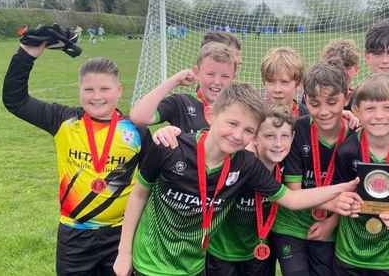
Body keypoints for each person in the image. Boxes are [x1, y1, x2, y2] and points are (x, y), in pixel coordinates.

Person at [113, 83, 364, 276]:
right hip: (150, 263)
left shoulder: (245, 165)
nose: (237, 135)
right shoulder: (170, 147)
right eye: (232, 123)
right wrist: (124, 253)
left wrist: (343, 187)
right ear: (210, 115)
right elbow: (138, 195)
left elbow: (291, 198)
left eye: (248, 130)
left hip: (195, 265)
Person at [2, 42, 150, 275]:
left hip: (120, 237)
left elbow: (150, 182)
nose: (97, 97)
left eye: (105, 89)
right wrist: (26, 55)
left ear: (119, 90)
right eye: (89, 90)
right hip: (74, 236)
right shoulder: (63, 120)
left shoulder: (137, 131)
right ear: (79, 90)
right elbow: (15, 101)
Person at [332, 75, 389, 275]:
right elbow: (338, 196)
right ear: (356, 110)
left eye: (388, 108)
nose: (379, 116)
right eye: (370, 108)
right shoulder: (347, 151)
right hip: (350, 252)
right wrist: (345, 204)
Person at [270, 62, 357, 276]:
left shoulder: (356, 137)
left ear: (346, 98)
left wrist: (332, 221)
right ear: (305, 100)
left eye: (332, 102)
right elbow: (294, 192)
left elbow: (353, 191)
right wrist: (334, 204)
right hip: (290, 224)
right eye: (315, 103)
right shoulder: (297, 130)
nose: (324, 111)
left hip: (333, 226)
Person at [206, 105, 296, 276]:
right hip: (221, 253)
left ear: (292, 138)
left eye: (284, 136)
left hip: (259, 253)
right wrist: (171, 132)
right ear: (254, 138)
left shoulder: (287, 164)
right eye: (269, 136)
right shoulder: (239, 164)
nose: (278, 144)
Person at [128, 42, 238, 134]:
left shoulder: (239, 110)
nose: (217, 82)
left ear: (233, 78)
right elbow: (138, 117)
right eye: (210, 74)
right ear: (197, 72)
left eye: (225, 76)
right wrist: (175, 80)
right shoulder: (181, 103)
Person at [261, 47, 304, 117]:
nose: (277, 89)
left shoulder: (309, 119)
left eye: (284, 82)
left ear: (298, 84)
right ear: (264, 83)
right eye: (271, 81)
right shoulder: (257, 118)